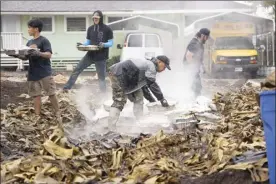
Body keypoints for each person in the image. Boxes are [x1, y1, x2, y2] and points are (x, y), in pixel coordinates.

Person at [8, 19, 60, 120]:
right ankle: (37, 116)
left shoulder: (44, 40)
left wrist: (39, 53)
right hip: (33, 73)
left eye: (29, 27)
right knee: (36, 95)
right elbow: (26, 57)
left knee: (51, 94)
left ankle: (58, 114)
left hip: (45, 72)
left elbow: (49, 54)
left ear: (36, 29)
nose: (28, 30)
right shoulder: (29, 42)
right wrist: (16, 55)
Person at [108, 55, 171, 131]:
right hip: (119, 74)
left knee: (139, 97)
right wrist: (162, 99)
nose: (164, 69)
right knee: (119, 100)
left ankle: (140, 121)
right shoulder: (151, 66)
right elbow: (152, 84)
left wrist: (153, 102)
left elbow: (144, 88)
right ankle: (111, 129)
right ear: (159, 61)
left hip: (126, 77)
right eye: (164, 66)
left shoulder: (147, 67)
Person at [63, 10, 113, 93]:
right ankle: (67, 87)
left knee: (101, 77)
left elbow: (111, 43)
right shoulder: (90, 29)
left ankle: (103, 95)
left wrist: (104, 44)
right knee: (77, 69)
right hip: (90, 55)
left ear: (101, 18)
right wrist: (82, 44)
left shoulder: (107, 29)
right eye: (94, 18)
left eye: (97, 18)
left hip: (101, 56)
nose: (95, 19)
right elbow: (88, 42)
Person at [183, 28, 210, 98]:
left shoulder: (199, 43)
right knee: (196, 88)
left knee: (196, 87)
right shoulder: (194, 43)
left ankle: (194, 101)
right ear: (202, 36)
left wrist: (201, 66)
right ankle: (193, 102)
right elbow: (189, 56)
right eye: (206, 37)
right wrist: (193, 69)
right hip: (191, 70)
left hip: (193, 70)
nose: (206, 39)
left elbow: (198, 57)